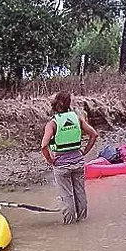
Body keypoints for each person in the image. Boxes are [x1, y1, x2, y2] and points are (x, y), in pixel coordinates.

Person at [40, 92, 98, 224]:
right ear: (68, 104)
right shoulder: (77, 118)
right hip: (78, 162)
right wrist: (84, 152)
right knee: (80, 192)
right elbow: (94, 135)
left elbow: (44, 145)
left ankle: (70, 225)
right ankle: (82, 221)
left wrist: (50, 161)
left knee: (67, 195)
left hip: (61, 165)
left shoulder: (52, 124)